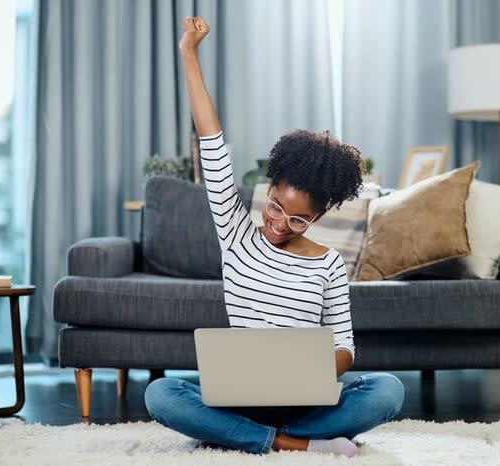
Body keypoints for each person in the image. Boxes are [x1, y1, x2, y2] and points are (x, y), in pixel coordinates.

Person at [144, 16, 404, 457]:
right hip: (241, 399)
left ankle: (250, 437)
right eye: (275, 207)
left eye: (298, 220)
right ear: (268, 189)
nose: (280, 223)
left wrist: (310, 372)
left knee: (388, 390)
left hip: (306, 403)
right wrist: (188, 51)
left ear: (319, 214)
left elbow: (345, 346)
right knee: (161, 394)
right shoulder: (236, 233)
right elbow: (212, 142)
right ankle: (290, 445)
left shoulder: (327, 263)